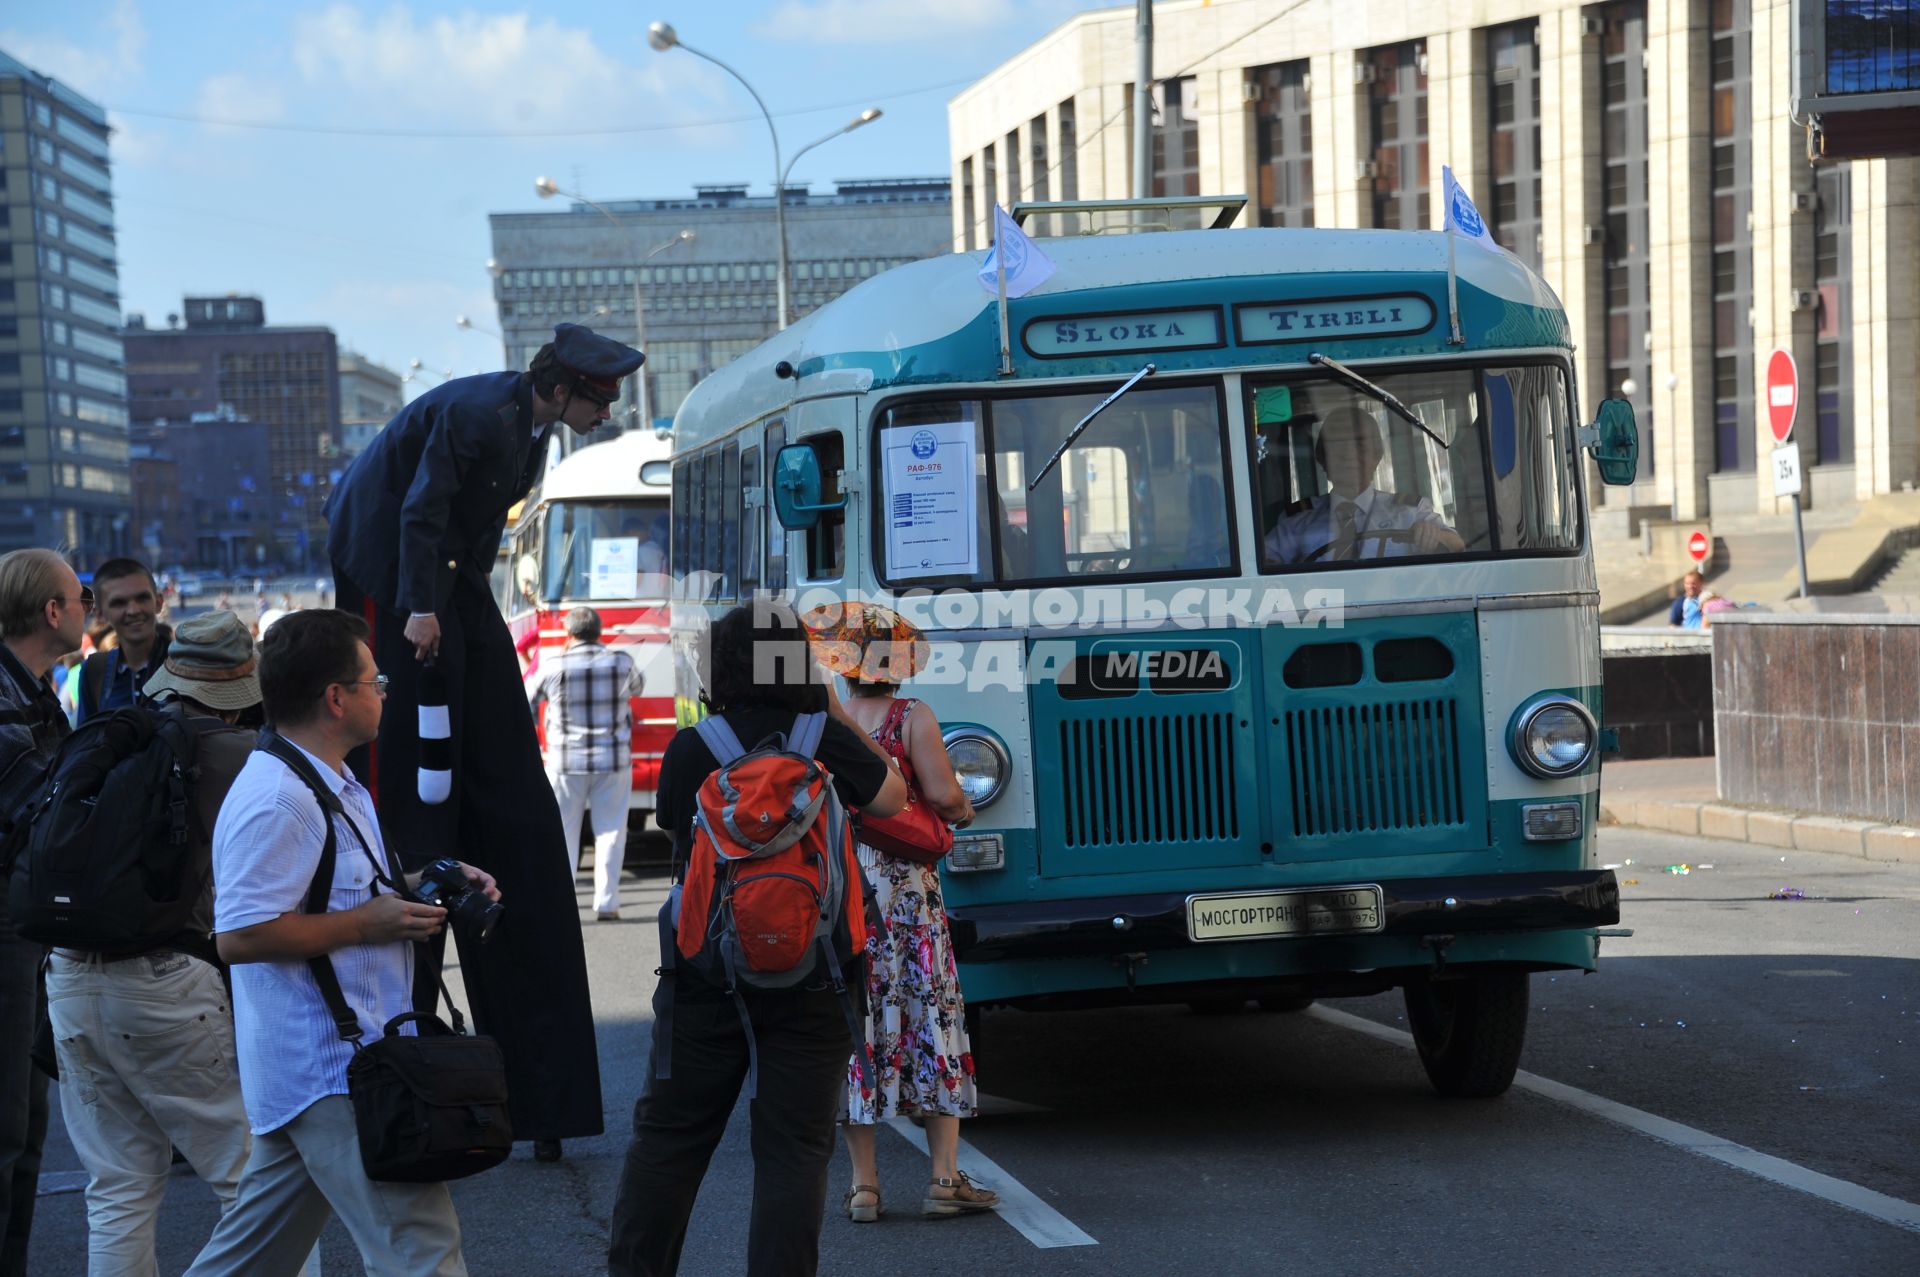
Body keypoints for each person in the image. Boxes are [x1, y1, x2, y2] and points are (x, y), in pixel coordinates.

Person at [323, 323, 641, 1161]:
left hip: (450, 577)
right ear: (561, 387)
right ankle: (404, 1059)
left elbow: (477, 533)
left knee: (506, 792)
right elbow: (422, 510)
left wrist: (460, 614)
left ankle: (542, 1093)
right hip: (386, 569)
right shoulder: (476, 416)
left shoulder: (530, 431)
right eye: (599, 400)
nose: (605, 413)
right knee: (412, 791)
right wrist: (420, 608)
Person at [184, 608, 497, 1277]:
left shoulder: (331, 781)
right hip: (333, 1068)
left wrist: (424, 881)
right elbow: (237, 935)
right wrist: (369, 924)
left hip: (324, 1069)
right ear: (336, 698)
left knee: (248, 1262)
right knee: (422, 1249)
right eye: (374, 679)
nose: (382, 690)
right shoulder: (279, 799)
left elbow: (342, 889)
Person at [608, 602, 907, 1277]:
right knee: (794, 1151)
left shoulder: (695, 745)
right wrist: (825, 709)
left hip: (706, 974)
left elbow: (675, 836)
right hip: (820, 971)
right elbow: (891, 799)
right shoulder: (824, 736)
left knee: (670, 1140)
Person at [45, 612, 264, 1277]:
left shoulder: (109, 738)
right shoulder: (241, 757)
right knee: (256, 1184)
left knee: (118, 1188)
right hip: (168, 977)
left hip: (69, 974)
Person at [816, 605, 999, 1223]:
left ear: (842, 666)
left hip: (846, 888)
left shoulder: (825, 724)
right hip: (908, 896)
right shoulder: (911, 716)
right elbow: (946, 796)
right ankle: (943, 1178)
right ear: (898, 664)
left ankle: (864, 1187)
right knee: (932, 1016)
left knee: (855, 1026)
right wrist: (962, 814)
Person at [0, 549, 87, 1276]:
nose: (88, 604)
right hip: (7, 927)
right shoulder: (6, 696)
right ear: (51, 612)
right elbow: (40, 802)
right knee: (7, 1123)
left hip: (23, 924)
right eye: (79, 593)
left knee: (26, 1123)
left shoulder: (31, 686)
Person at [526, 606, 641, 921]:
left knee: (563, 832)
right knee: (611, 831)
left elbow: (528, 701)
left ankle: (562, 901)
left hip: (566, 761)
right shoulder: (621, 662)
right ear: (599, 631)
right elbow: (638, 687)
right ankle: (607, 903)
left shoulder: (554, 666)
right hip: (613, 758)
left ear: (570, 633)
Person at [1263, 405, 1465, 564]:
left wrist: (1433, 535)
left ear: (1377, 455)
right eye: (1337, 445)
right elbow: (1264, 562)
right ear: (1321, 458)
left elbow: (1457, 546)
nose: (1348, 455)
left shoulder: (1409, 511)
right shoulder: (1299, 521)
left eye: (1359, 445)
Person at [75, 556, 172, 723]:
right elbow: (86, 742)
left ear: (158, 602)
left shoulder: (186, 666)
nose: (133, 610)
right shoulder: (94, 671)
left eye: (142, 598)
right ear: (100, 614)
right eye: (119, 603)